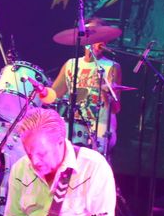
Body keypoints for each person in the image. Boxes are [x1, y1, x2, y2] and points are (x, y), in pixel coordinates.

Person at [50, 24, 123, 156]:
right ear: (84, 41)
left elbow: (115, 109)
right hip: (74, 125)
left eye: (102, 38)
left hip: (100, 127)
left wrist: (105, 92)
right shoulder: (71, 64)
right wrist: (40, 89)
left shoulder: (111, 67)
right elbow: (53, 95)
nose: (99, 41)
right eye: (94, 37)